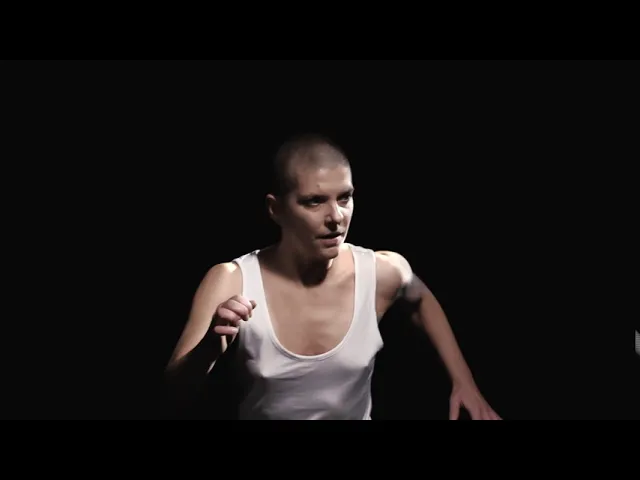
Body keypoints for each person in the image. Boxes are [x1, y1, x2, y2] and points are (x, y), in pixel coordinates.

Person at [165, 133, 501, 420]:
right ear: (276, 209)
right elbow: (171, 396)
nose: (336, 217)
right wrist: (208, 350)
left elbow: (420, 298)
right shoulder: (232, 280)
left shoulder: (380, 272)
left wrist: (465, 382)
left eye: (345, 197)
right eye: (314, 202)